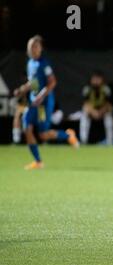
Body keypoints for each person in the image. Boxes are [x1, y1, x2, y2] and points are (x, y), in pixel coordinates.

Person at [13, 35, 79, 170]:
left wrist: (41, 96)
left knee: (43, 135)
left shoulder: (45, 64)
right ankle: (38, 162)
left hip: (43, 104)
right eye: (31, 46)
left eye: (36, 46)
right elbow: (33, 82)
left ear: (41, 48)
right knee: (27, 128)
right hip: (33, 103)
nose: (33, 49)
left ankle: (68, 135)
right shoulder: (30, 63)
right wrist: (22, 89)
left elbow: (52, 82)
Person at [79, 71, 113, 145]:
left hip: (103, 111)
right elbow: (85, 104)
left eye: (98, 79)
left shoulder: (106, 89)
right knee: (84, 114)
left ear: (102, 80)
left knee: (109, 116)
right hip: (92, 111)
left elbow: (109, 104)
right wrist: (94, 112)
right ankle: (83, 140)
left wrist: (100, 112)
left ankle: (110, 141)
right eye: (94, 79)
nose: (96, 81)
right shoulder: (87, 89)